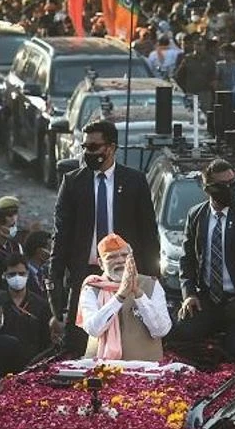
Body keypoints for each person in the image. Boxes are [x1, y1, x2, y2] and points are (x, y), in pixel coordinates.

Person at [48, 119, 160, 357]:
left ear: (110, 148)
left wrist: (150, 275)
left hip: (126, 274)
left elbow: (148, 232)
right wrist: (55, 277)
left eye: (94, 147)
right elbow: (61, 235)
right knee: (79, 342)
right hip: (85, 274)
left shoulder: (134, 181)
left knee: (127, 339)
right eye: (85, 147)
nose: (87, 152)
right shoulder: (73, 183)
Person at [170, 158, 235, 361]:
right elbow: (188, 260)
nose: (229, 189)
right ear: (207, 188)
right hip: (209, 299)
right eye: (222, 186)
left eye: (233, 184)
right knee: (180, 334)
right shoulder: (196, 215)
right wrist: (189, 294)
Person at [77, 234, 171, 361]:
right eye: (112, 257)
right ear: (100, 263)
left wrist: (138, 294)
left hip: (146, 370)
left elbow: (161, 330)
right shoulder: (92, 288)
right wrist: (120, 296)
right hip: (101, 371)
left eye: (124, 255)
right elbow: (93, 329)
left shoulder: (151, 284)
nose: (120, 260)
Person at [0, 253, 52, 362]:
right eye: (12, 274)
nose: (17, 277)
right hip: (3, 365)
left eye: (21, 273)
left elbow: (46, 341)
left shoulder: (41, 305)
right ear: (4, 275)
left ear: (28, 274)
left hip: (33, 365)